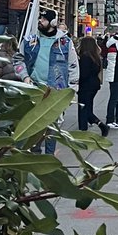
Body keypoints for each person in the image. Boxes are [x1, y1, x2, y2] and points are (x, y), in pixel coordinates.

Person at [22, 8, 79, 155]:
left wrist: (72, 90)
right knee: (33, 122)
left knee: (53, 125)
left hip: (56, 91)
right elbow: (18, 59)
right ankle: (34, 151)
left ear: (53, 22)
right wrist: (25, 77)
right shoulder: (30, 40)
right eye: (40, 18)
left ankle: (49, 155)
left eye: (44, 19)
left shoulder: (65, 42)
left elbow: (73, 66)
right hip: (34, 88)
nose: (40, 21)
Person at [76, 37, 109, 136]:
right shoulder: (95, 57)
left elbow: (83, 74)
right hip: (94, 85)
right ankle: (98, 125)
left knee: (83, 108)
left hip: (85, 86)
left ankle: (86, 129)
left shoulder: (85, 57)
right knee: (88, 107)